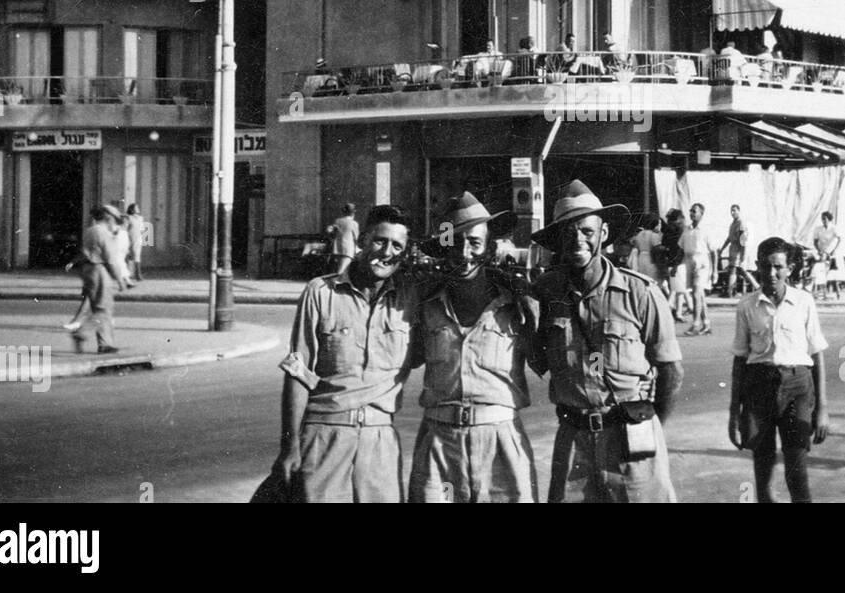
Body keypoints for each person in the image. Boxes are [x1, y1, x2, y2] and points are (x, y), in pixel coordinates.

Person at [529, 179, 683, 502]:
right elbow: (538, 360)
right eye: (567, 232)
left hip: (630, 440)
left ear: (603, 234)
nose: (577, 240)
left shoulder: (640, 293)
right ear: (556, 240)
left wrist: (649, 424)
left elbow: (671, 371)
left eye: (586, 231)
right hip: (573, 443)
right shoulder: (545, 294)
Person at [273, 204, 414, 502]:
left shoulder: (410, 301)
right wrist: (290, 446)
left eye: (397, 246)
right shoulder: (320, 292)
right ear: (362, 240)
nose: (386, 252)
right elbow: (299, 374)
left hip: (380, 438)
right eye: (380, 241)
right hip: (325, 433)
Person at [405, 192, 540, 502]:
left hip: (501, 442)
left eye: (475, 243)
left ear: (490, 248)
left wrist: (526, 293)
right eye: (454, 243)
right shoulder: (424, 305)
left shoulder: (519, 305)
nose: (464, 253)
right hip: (439, 443)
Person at [728, 237, 830, 502]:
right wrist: (734, 414)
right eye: (765, 266)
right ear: (757, 267)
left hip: (798, 387)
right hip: (758, 387)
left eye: (778, 267)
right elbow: (739, 359)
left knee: (797, 471)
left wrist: (822, 409)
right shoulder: (747, 306)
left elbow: (816, 353)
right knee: (763, 470)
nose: (771, 273)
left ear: (790, 269)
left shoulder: (804, 301)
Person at [72, 204, 129, 354]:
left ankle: (105, 344)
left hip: (88, 270)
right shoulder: (103, 233)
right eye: (115, 220)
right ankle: (81, 332)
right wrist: (120, 280)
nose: (115, 224)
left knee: (101, 308)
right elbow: (111, 259)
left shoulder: (90, 230)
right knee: (103, 309)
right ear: (108, 218)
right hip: (99, 270)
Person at [680, 202, 716, 335]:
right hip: (690, 262)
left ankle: (695, 325)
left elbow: (713, 252)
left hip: (703, 264)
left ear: (701, 214)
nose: (692, 214)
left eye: (694, 211)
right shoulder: (687, 229)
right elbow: (681, 248)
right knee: (699, 295)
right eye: (691, 211)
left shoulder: (706, 230)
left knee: (696, 293)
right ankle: (706, 323)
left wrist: (715, 271)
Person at [657, 209, 689, 321]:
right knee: (677, 290)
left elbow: (665, 247)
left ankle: (678, 312)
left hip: (671, 262)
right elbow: (681, 250)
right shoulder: (680, 232)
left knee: (677, 289)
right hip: (679, 263)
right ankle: (670, 310)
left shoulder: (667, 233)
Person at [723, 204, 759, 297]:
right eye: (731, 211)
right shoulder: (733, 224)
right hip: (733, 249)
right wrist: (723, 248)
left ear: (739, 211)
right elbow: (729, 238)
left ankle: (730, 292)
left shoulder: (741, 223)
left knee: (734, 270)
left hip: (739, 249)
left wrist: (743, 253)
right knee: (740, 270)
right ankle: (733, 291)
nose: (733, 212)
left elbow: (743, 239)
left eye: (734, 210)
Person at [810, 211, 845, 299]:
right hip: (822, 252)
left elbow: (840, 240)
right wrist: (819, 251)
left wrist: (834, 250)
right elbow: (815, 242)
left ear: (829, 219)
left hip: (833, 253)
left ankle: (838, 293)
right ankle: (821, 293)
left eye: (825, 219)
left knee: (833, 274)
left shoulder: (834, 228)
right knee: (820, 272)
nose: (823, 221)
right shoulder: (818, 229)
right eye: (822, 219)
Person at [327, 203, 359, 276]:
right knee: (341, 271)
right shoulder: (354, 223)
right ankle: (336, 285)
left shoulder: (338, 221)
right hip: (348, 250)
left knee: (338, 268)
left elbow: (330, 231)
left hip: (337, 249)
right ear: (353, 213)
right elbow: (357, 238)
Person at [628, 214, 662, 282]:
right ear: (655, 224)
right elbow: (656, 249)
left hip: (641, 258)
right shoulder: (654, 235)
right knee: (653, 279)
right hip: (651, 258)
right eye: (659, 224)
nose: (660, 226)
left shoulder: (639, 234)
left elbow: (636, 246)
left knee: (644, 278)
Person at [125, 202, 145, 283]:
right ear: (132, 209)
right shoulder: (129, 218)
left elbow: (142, 229)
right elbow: (126, 228)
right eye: (136, 207)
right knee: (131, 256)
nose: (138, 208)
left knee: (137, 255)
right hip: (131, 238)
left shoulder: (140, 218)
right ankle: (135, 274)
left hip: (138, 238)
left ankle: (136, 274)